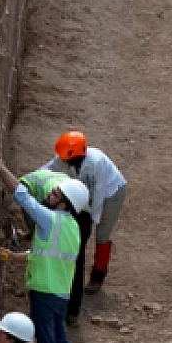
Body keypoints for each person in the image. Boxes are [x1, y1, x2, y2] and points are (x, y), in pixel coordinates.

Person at [0, 141, 87, 343]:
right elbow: (47, 256)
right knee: (60, 341)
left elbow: (21, 194)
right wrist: (15, 257)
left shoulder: (49, 220)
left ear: (65, 203)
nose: (50, 196)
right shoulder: (73, 228)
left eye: (55, 195)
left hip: (44, 290)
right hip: (60, 293)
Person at [39, 131, 127, 309]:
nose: (62, 161)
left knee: (102, 233)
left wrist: (96, 215)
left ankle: (98, 275)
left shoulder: (97, 162)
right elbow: (45, 170)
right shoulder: (66, 158)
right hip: (90, 193)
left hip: (112, 192)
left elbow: (101, 190)